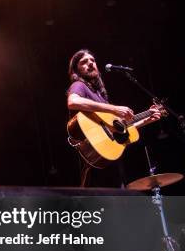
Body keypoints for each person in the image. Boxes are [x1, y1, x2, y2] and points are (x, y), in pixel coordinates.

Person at [66, 49, 161, 187]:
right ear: (76, 69)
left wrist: (147, 120)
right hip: (94, 164)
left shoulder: (100, 96)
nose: (90, 63)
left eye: (92, 60)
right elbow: (73, 102)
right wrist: (115, 108)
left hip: (110, 162)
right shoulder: (79, 85)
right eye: (84, 62)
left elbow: (118, 129)